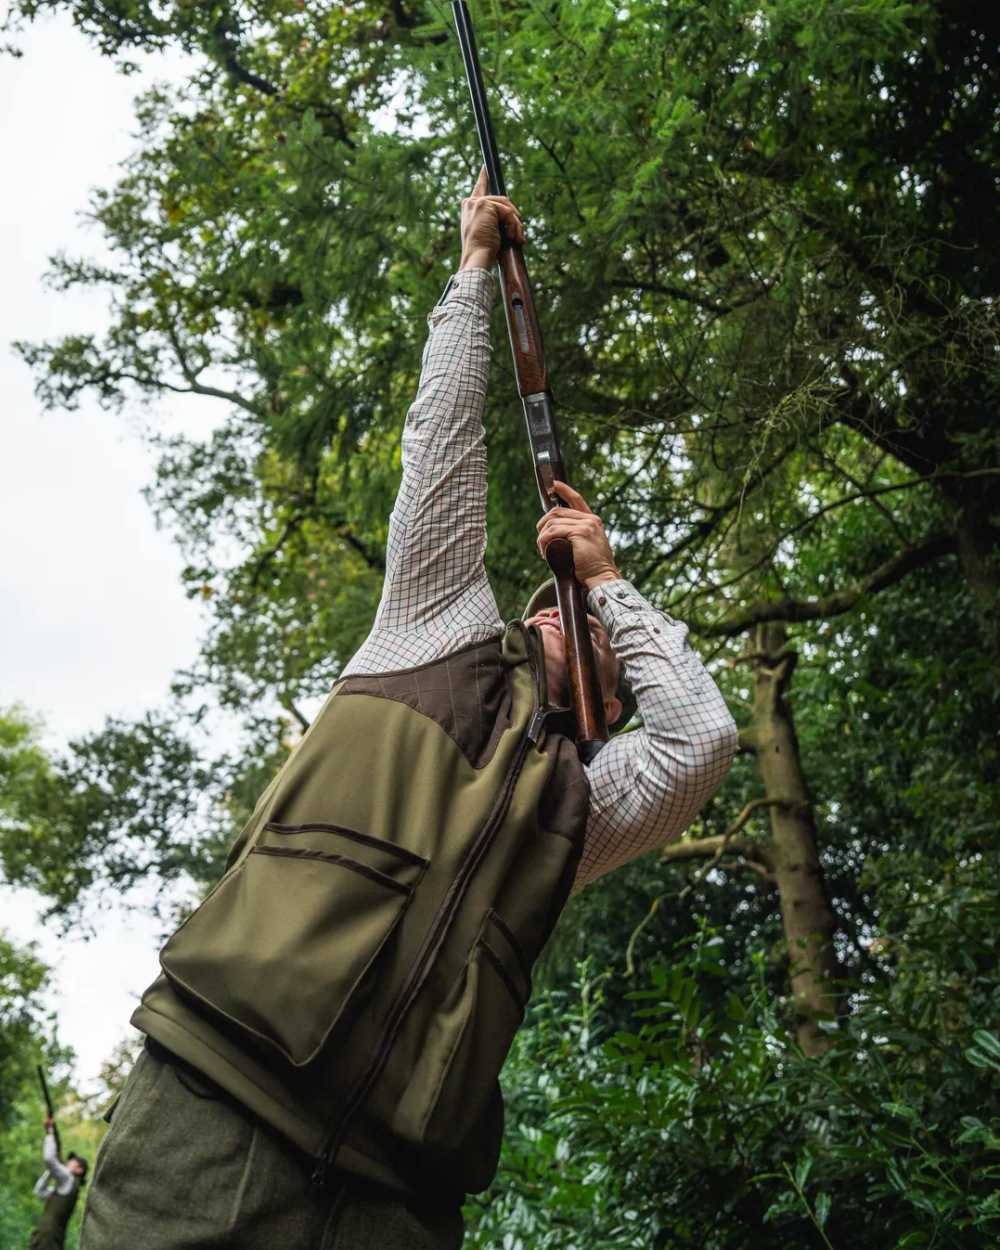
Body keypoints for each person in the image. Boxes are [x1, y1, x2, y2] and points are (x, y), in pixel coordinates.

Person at [79, 173, 737, 1250]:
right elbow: (442, 447)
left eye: (605, 640)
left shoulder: (584, 809)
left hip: (393, 1199)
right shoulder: (430, 628)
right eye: (563, 605)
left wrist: (612, 582)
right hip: (212, 1114)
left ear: (613, 699)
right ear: (524, 620)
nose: (577, 618)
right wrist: (475, 270)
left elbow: (701, 738)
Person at [30, 1118, 87, 1250]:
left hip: (47, 1243)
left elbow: (49, 1158)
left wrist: (50, 1133)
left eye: (72, 1162)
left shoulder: (69, 1179)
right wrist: (51, 1171)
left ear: (79, 1170)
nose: (68, 1162)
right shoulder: (65, 1188)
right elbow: (39, 1191)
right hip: (45, 1240)